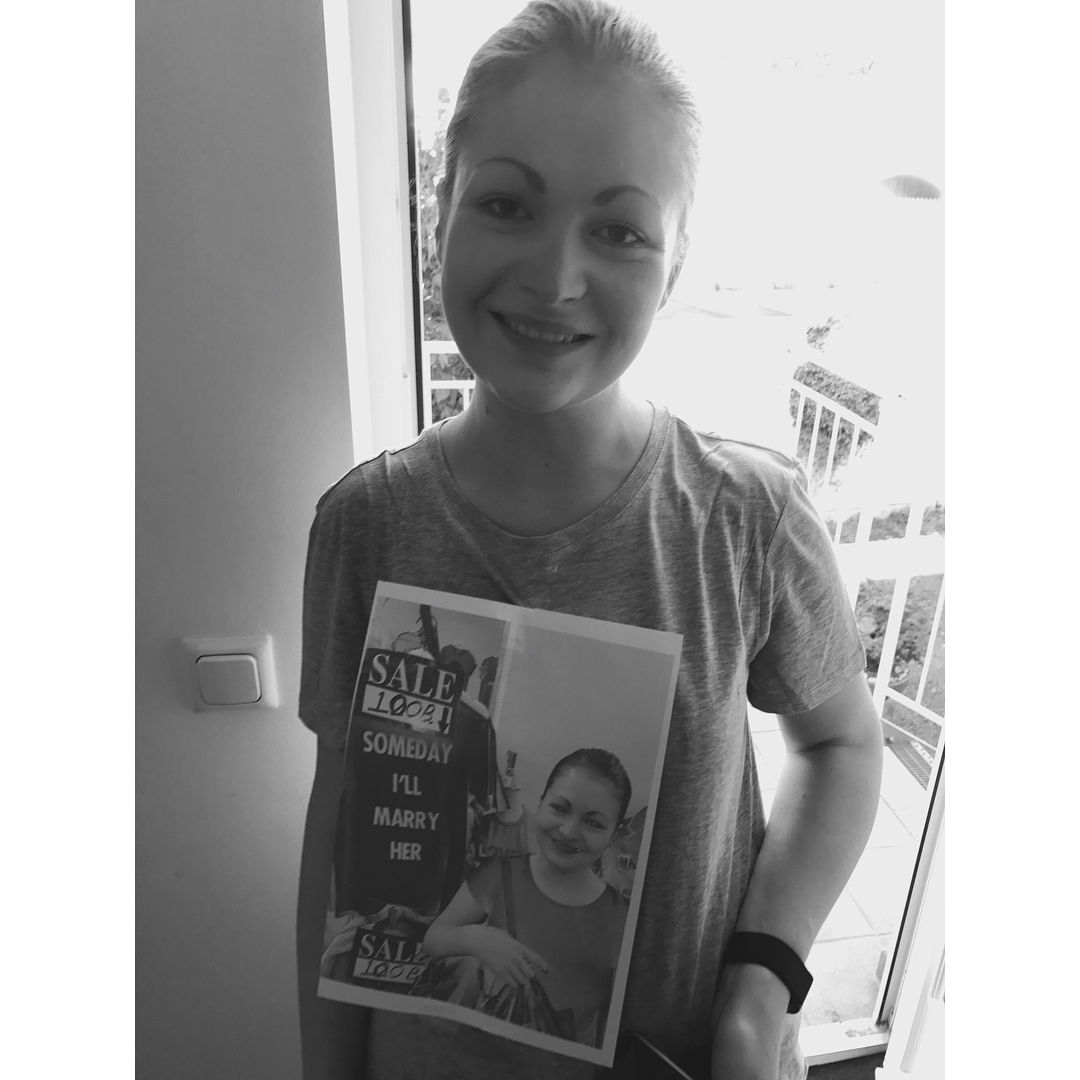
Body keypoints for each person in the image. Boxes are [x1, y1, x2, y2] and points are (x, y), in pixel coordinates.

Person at [296, 2, 884, 1078]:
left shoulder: (744, 519)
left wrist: (760, 988)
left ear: (676, 263)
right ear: (439, 213)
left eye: (618, 230)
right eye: (507, 204)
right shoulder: (365, 525)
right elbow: (340, 824)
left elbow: (843, 748)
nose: (556, 276)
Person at [417, 749, 631, 1047]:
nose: (569, 831)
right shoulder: (498, 874)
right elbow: (433, 938)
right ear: (541, 802)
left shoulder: (622, 917)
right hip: (478, 1048)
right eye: (560, 808)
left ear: (613, 835)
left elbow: (611, 1027)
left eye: (593, 823)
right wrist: (475, 939)